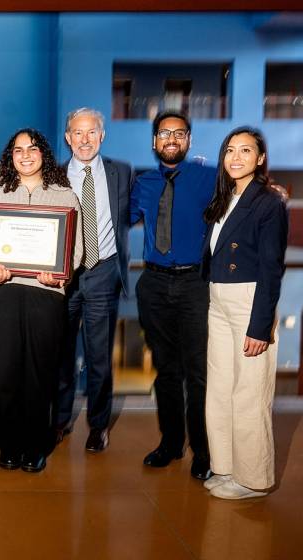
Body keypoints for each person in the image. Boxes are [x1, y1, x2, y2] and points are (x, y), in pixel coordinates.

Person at [0, 128, 83, 473]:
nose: (26, 155)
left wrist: (59, 275)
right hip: (2, 294)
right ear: (11, 157)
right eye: (18, 150)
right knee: (6, 375)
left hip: (46, 296)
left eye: (32, 148)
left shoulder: (64, 195)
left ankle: (35, 446)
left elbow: (75, 250)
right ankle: (10, 445)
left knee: (39, 375)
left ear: (43, 153)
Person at [200, 127, 288, 500]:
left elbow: (272, 268)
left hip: (249, 300)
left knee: (250, 392)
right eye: (230, 150)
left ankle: (253, 479)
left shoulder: (269, 202)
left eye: (246, 150)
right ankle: (226, 467)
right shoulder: (224, 197)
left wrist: (261, 326)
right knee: (220, 389)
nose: (236, 157)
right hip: (218, 298)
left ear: (261, 158)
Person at [130, 111, 217, 480]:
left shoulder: (210, 177)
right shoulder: (143, 183)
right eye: (164, 133)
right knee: (166, 371)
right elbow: (114, 216)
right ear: (154, 141)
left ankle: (203, 451)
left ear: (189, 140)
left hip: (194, 284)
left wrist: (272, 190)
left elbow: (244, 194)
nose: (171, 139)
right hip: (153, 283)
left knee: (197, 373)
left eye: (179, 133)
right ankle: (170, 443)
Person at [54, 108, 133, 453]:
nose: (84, 140)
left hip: (103, 272)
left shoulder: (122, 172)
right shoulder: (54, 175)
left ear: (101, 136)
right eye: (77, 133)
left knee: (99, 358)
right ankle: (59, 420)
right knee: (61, 356)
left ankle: (98, 426)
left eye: (91, 133)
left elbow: (140, 208)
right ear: (67, 137)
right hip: (64, 277)